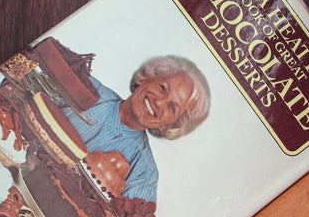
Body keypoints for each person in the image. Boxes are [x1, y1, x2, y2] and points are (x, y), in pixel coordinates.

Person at [59, 55, 211, 206]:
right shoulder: (85, 87)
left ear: (169, 126)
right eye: (163, 88)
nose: (158, 102)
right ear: (145, 78)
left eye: (172, 108)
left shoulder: (144, 172)